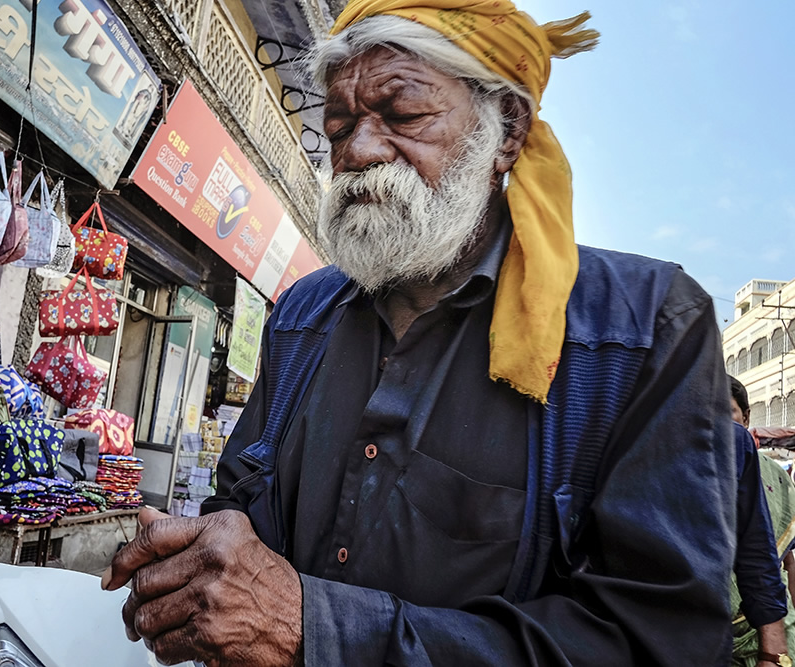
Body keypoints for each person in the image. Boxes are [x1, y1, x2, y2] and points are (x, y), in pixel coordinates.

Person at [103, 2, 737, 664]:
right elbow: (236, 505)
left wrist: (311, 626)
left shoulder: (646, 332)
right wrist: (199, 555)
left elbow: (659, 644)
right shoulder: (302, 313)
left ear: (508, 131)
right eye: (339, 126)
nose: (359, 151)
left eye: (403, 116)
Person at [729, 376, 794, 666]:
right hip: (711, 631)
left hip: (771, 626)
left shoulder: (775, 475)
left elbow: (787, 559)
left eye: (726, 412)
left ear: (745, 417)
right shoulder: (687, 471)